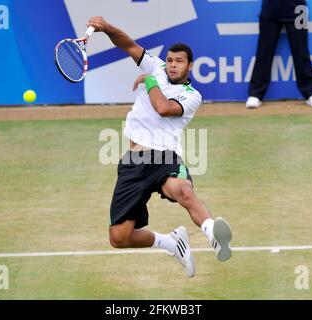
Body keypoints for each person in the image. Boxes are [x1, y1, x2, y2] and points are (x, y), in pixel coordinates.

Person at [87, 16, 232, 278]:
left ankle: (212, 232)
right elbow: (128, 45)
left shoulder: (191, 96)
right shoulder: (156, 67)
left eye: (179, 62)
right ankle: (171, 242)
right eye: (171, 60)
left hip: (164, 157)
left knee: (182, 190)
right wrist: (107, 28)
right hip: (134, 162)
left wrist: (150, 81)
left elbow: (163, 108)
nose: (173, 65)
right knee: (119, 237)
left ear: (190, 66)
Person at [246, 0, 312, 109]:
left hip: (298, 10)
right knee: (264, 52)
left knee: (301, 51)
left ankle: (310, 92)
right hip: (270, 9)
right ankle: (256, 93)